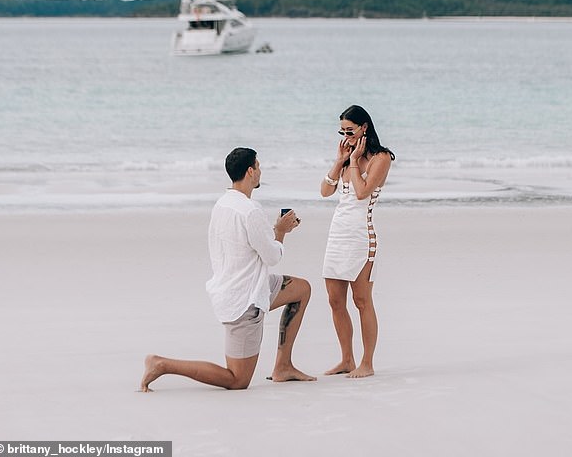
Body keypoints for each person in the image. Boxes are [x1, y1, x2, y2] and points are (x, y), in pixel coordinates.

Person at [140, 147, 316, 391]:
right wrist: (281, 231)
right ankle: (162, 364)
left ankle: (283, 366)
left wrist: (275, 231)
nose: (261, 171)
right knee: (237, 380)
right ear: (250, 171)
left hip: (247, 285)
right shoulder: (250, 210)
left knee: (301, 289)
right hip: (244, 301)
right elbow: (273, 256)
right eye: (259, 166)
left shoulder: (223, 204)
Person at [320, 105, 395, 378]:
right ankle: (346, 359)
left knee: (362, 300)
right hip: (338, 233)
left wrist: (353, 161)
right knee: (334, 300)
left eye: (350, 130)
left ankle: (367, 362)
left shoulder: (381, 158)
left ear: (364, 127)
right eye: (342, 131)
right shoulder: (347, 156)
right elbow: (325, 191)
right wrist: (339, 160)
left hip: (361, 235)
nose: (346, 135)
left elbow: (362, 193)